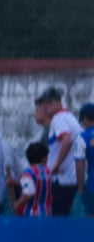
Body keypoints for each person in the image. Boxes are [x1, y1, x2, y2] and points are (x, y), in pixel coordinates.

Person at [36, 87, 84, 217]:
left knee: (56, 219)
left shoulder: (58, 119)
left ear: (58, 102)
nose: (46, 106)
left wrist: (55, 165)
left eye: (49, 103)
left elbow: (67, 139)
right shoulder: (69, 117)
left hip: (62, 179)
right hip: (71, 177)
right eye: (43, 103)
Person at [15, 142, 54, 217]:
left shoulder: (28, 173)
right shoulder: (48, 172)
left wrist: (17, 205)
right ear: (43, 158)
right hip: (47, 212)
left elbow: (29, 193)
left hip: (31, 214)